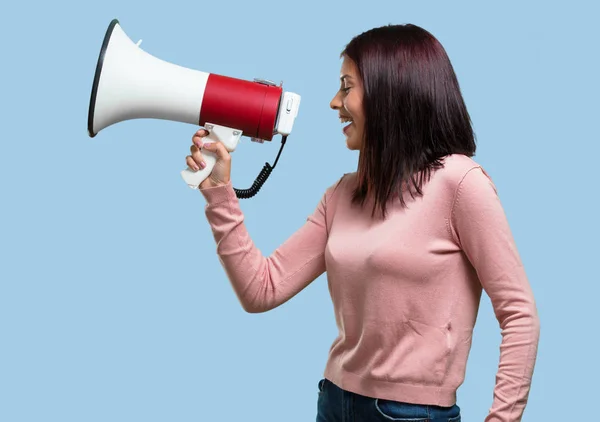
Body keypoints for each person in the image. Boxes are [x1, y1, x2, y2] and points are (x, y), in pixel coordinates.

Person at [185, 24, 540, 422]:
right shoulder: (342, 194)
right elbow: (260, 289)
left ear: (390, 92)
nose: (334, 102)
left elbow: (520, 313)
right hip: (334, 401)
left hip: (411, 413)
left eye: (346, 86)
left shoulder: (460, 184)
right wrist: (220, 193)